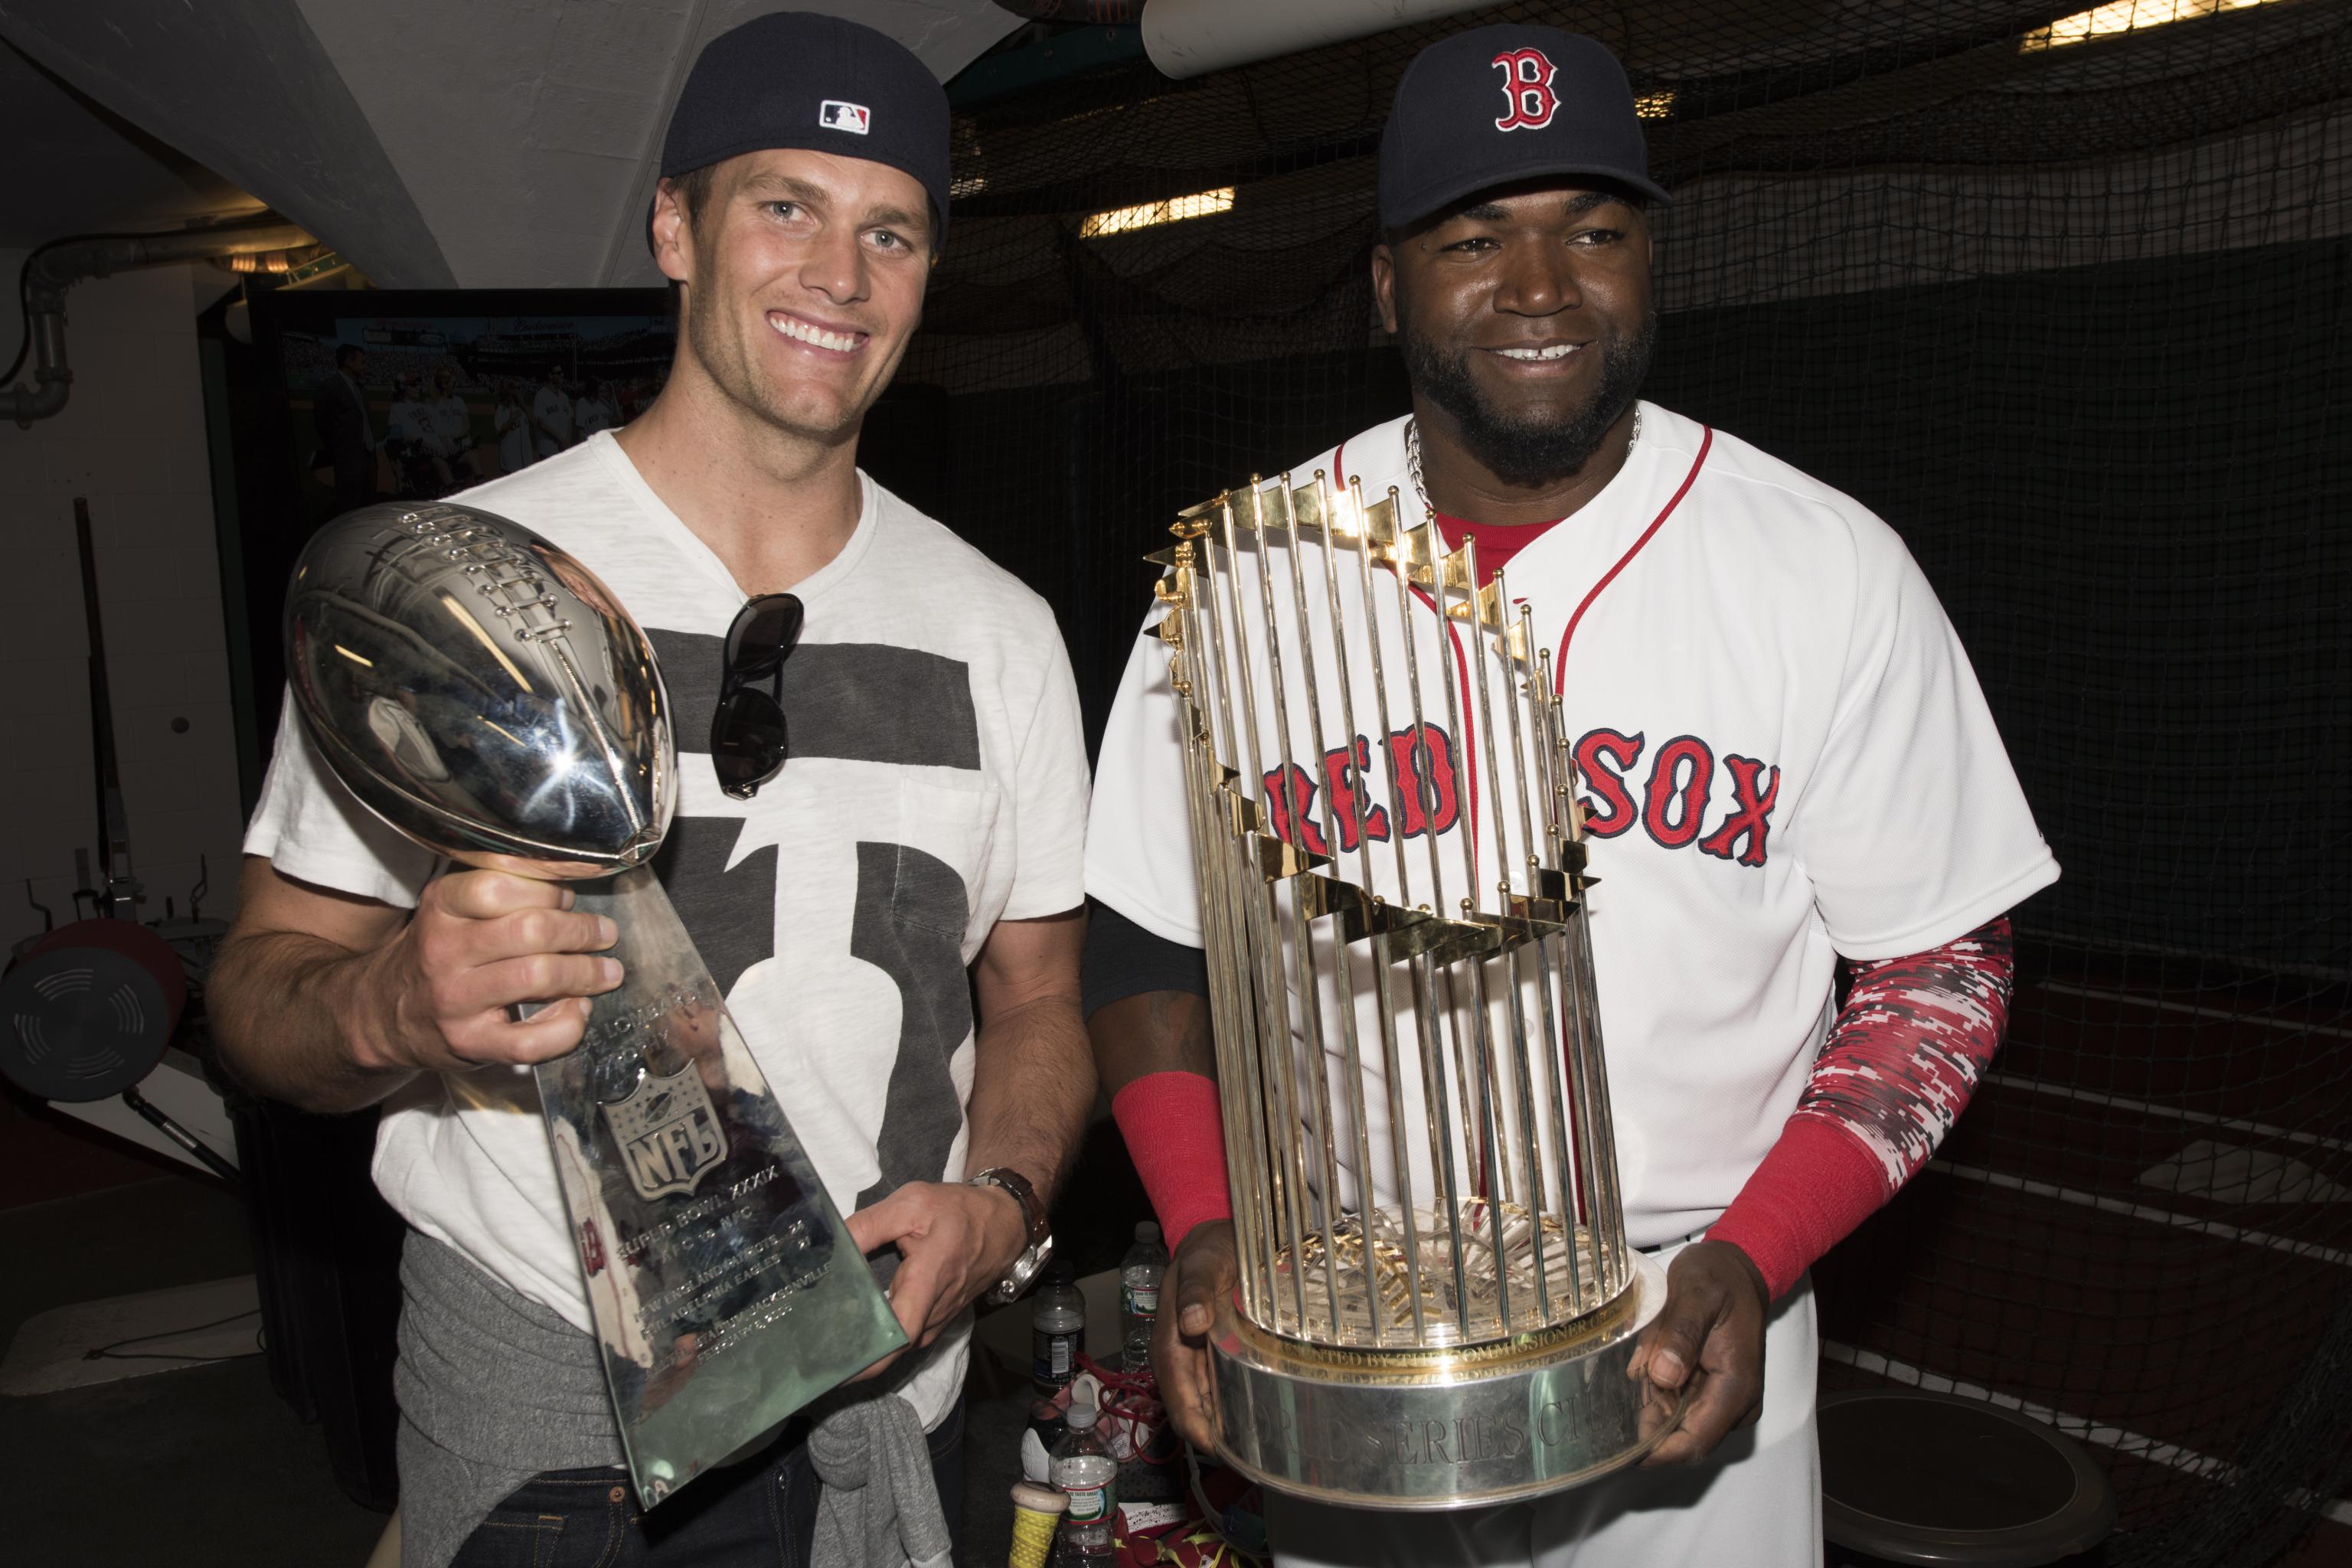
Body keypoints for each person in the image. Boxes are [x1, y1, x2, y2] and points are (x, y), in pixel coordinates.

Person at [1082, 24, 2057, 1568]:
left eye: (1592, 230)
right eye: (1479, 236)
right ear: (1392, 283)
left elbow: (1941, 965)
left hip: (1692, 1317)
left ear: (1650, 258)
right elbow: (1144, 945)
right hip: (1350, 1329)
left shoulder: (1825, 570)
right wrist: (1203, 1225)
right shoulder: (1245, 587)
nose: (1542, 285)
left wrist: (1763, 1251)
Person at [210, 13, 1095, 1566]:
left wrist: (1006, 1208)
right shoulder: (459, 584)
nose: (840, 271)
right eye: (784, 205)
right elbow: (260, 989)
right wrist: (390, 1009)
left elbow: (1037, 999)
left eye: (891, 230)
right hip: (552, 1394)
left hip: (892, 1398)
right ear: (675, 226)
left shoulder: (1000, 630)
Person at [314, 342, 377, 514]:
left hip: (367, 455)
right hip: (348, 458)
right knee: (349, 507)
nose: (365, 367)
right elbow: (322, 423)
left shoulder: (359, 388)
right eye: (362, 362)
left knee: (368, 505)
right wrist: (339, 451)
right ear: (349, 362)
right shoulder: (331, 386)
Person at [532, 364, 576, 456]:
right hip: (548, 449)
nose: (562, 375)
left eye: (562, 373)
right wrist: (560, 439)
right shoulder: (541, 395)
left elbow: (569, 420)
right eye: (559, 373)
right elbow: (542, 423)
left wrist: (568, 440)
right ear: (550, 375)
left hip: (564, 449)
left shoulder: (564, 397)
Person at [492, 377, 531, 473]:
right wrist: (512, 419)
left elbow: (534, 423)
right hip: (510, 459)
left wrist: (523, 406)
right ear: (509, 390)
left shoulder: (522, 410)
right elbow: (499, 430)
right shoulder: (502, 409)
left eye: (519, 388)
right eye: (515, 388)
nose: (518, 391)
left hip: (525, 458)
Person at [574, 376, 620, 440]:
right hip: (591, 444)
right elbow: (580, 429)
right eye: (600, 387)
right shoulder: (582, 403)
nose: (603, 390)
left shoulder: (603, 402)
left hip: (604, 443)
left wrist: (613, 395)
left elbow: (618, 417)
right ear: (594, 389)